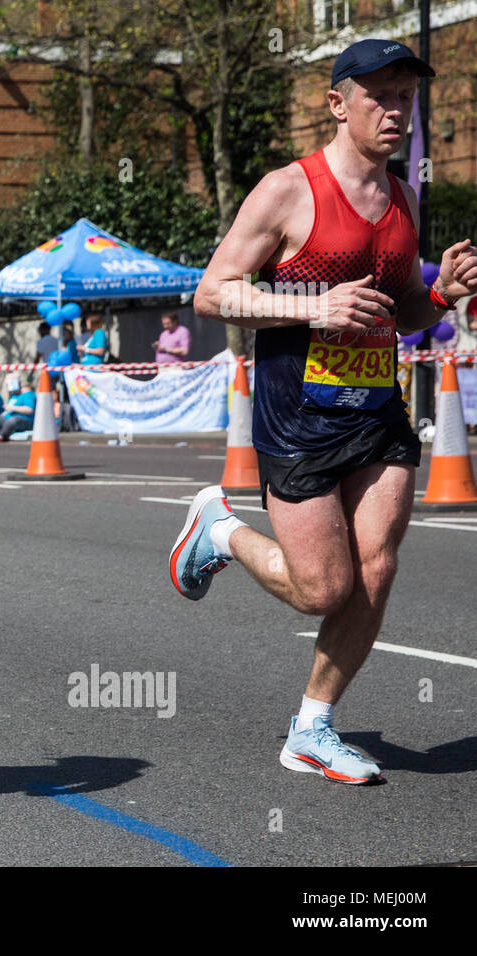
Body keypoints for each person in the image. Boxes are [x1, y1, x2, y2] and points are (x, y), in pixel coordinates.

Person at [176, 39, 477, 785]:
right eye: (379, 95)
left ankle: (312, 727)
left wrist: (444, 293)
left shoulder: (404, 198)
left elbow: (403, 311)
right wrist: (314, 305)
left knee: (375, 570)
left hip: (376, 411)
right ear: (339, 104)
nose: (397, 109)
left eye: (406, 96)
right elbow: (212, 294)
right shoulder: (288, 190)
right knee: (322, 589)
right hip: (297, 416)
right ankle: (219, 530)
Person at [0, 374, 37, 440]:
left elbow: (29, 410)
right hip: (8, 418)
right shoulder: (14, 396)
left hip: (24, 420)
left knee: (12, 420)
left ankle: (2, 436)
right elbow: (8, 410)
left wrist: (11, 408)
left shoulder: (28, 394)